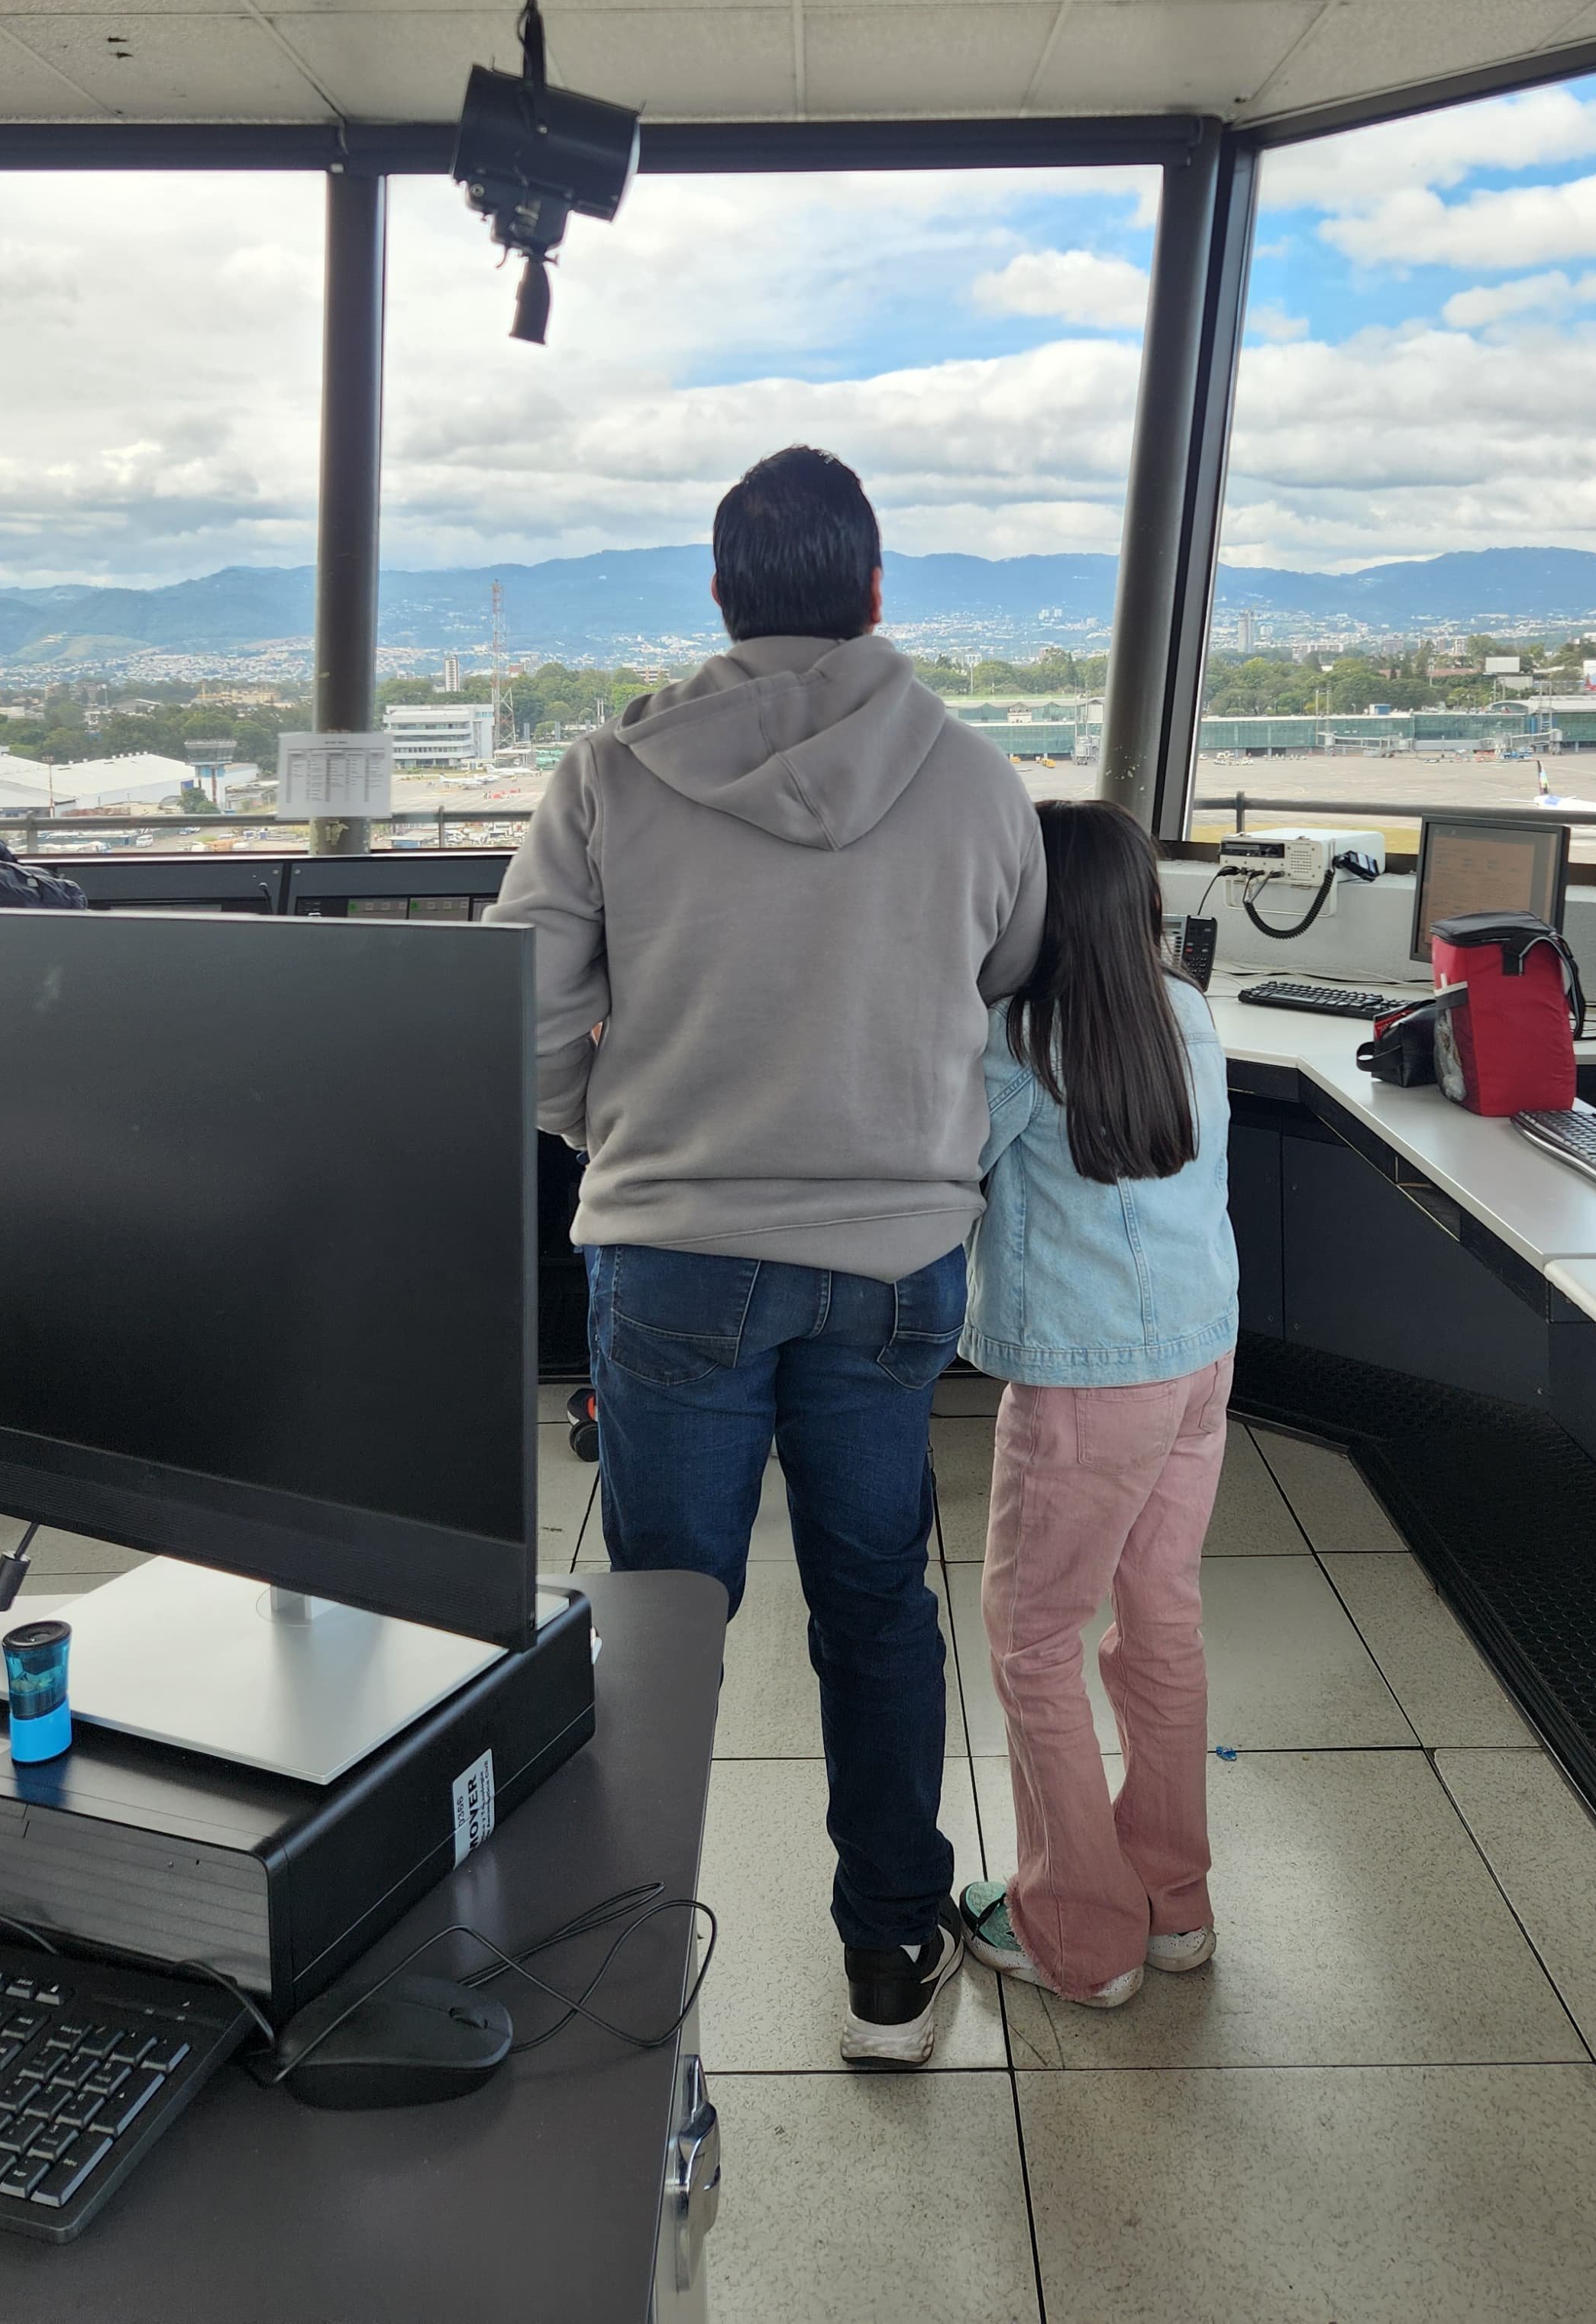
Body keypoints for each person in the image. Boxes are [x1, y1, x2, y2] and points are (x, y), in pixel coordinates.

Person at [493, 445, 1045, 2064]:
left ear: (722, 598)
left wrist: (621, 1133)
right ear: (875, 592)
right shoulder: (975, 777)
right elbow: (1006, 980)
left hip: (673, 1254)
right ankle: (886, 1957)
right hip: (891, 1264)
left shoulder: (609, 772)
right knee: (875, 1604)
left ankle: (620, 1979)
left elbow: (516, 1017)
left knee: (666, 1615)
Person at [957, 799, 1239, 2007]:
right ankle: (1174, 1903)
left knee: (1029, 1642)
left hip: (1088, 1383)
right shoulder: (1184, 1008)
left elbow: (937, 1157)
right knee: (1159, 1618)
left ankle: (1080, 1932)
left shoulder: (1019, 1033)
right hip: (1200, 1361)